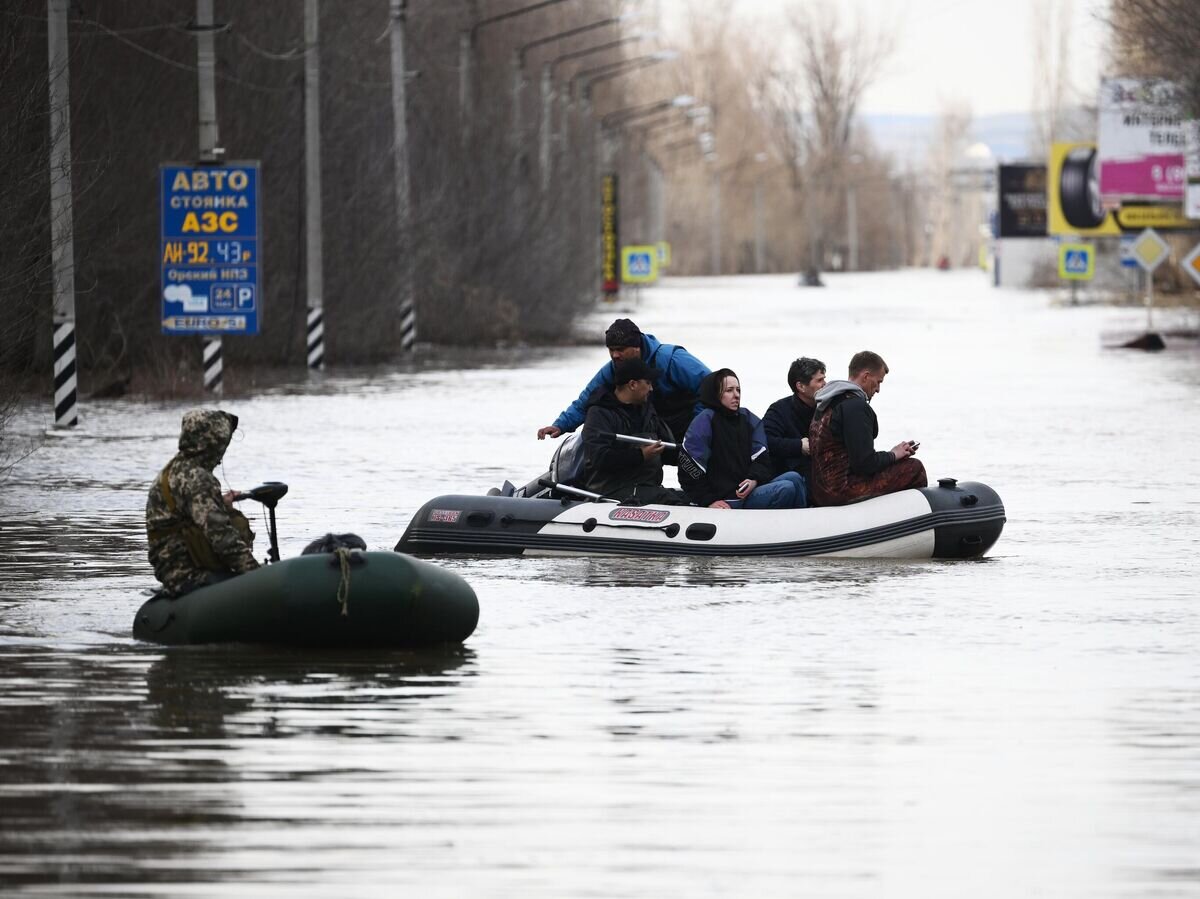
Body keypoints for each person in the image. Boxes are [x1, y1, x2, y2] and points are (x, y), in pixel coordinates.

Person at [537, 318, 711, 446]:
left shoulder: (672, 359)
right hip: (656, 428)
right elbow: (586, 401)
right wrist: (560, 425)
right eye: (611, 350)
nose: (615, 355)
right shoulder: (613, 369)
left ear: (637, 348)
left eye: (620, 349)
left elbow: (713, 388)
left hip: (691, 424)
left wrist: (696, 431)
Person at [145, 409, 259, 596]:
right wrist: (256, 574)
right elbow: (221, 537)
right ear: (212, 443)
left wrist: (222, 506)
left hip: (170, 568)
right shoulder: (197, 478)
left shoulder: (175, 469)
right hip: (185, 573)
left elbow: (190, 515)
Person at [808, 351, 927, 506]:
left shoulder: (827, 402)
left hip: (819, 491)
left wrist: (893, 454)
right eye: (878, 382)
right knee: (914, 468)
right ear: (865, 376)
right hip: (841, 491)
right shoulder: (855, 407)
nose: (878, 389)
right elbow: (864, 464)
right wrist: (893, 455)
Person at [679, 368, 808, 510]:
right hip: (726, 498)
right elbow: (688, 468)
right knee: (786, 488)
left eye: (738, 390)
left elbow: (762, 459)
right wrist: (708, 500)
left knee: (795, 477)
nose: (736, 395)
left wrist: (754, 479)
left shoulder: (747, 418)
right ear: (715, 393)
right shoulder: (705, 420)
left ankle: (803, 519)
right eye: (729, 390)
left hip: (748, 490)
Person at [578, 358, 687, 505]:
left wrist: (694, 455)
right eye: (648, 383)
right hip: (610, 490)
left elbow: (668, 451)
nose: (651, 389)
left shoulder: (648, 411)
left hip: (646, 487)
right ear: (633, 384)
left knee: (691, 498)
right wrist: (641, 455)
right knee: (670, 500)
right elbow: (599, 458)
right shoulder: (599, 414)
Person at [762, 356, 826, 485]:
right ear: (801, 386)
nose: (825, 384)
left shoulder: (828, 409)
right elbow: (765, 441)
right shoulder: (779, 410)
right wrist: (799, 446)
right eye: (819, 380)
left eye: (824, 379)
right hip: (793, 480)